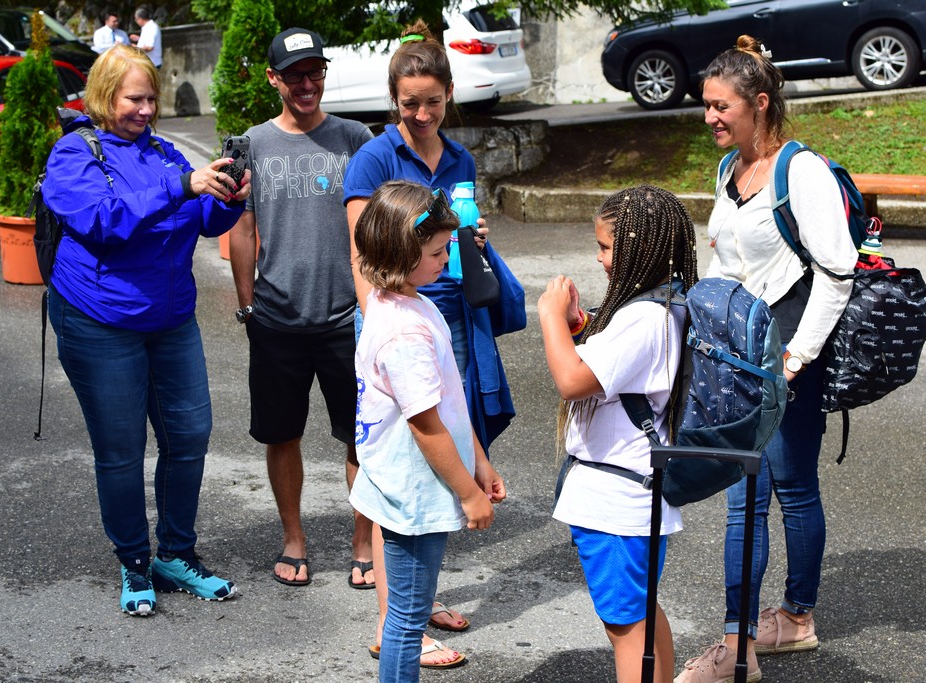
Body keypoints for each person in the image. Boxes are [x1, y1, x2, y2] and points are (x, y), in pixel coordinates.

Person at [42, 44, 249, 617]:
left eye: (152, 97)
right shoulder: (72, 154)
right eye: (136, 98)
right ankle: (135, 562)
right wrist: (182, 187)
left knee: (189, 437)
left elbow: (201, 220)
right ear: (106, 97)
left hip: (171, 318)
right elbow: (102, 221)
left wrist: (229, 198)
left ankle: (175, 555)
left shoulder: (162, 153)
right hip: (100, 321)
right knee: (121, 450)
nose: (147, 109)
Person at [674, 36, 857, 683]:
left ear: (759, 103)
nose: (709, 118)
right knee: (744, 496)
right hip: (740, 362)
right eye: (706, 106)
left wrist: (795, 359)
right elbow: (726, 263)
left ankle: (792, 618)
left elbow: (838, 273)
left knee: (790, 487)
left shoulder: (799, 171)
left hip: (788, 361)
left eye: (720, 107)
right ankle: (742, 641)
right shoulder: (729, 173)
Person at [343, 19, 518, 665]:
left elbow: (446, 407)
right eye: (409, 102)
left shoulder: (460, 163)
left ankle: (412, 606)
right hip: (400, 320)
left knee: (444, 430)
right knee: (408, 550)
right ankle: (402, 622)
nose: (421, 113)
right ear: (394, 99)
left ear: (449, 97)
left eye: (433, 102)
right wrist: (380, 324)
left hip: (434, 308)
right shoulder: (374, 160)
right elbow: (365, 247)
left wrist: (476, 465)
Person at [227, 27, 375, 590]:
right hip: (277, 319)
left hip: (347, 317)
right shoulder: (252, 144)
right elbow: (242, 229)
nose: (307, 84)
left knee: (362, 437)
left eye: (315, 72)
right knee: (281, 434)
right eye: (295, 75)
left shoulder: (356, 139)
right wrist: (248, 308)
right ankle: (294, 537)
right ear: (274, 79)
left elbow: (383, 218)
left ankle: (364, 542)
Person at [539, 185, 698, 683]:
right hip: (634, 490)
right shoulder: (663, 305)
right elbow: (619, 366)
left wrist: (548, 317)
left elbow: (572, 380)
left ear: (637, 249)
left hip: (616, 498)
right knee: (643, 614)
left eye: (607, 247)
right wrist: (581, 324)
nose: (600, 259)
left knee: (625, 627)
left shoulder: (644, 319)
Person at [350, 180, 506, 682]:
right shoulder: (405, 331)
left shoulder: (403, 301)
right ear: (401, 252)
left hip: (411, 483)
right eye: (437, 251)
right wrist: (468, 493)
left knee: (407, 610)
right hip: (415, 492)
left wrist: (479, 460)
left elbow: (448, 402)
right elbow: (425, 424)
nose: (447, 259)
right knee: (406, 619)